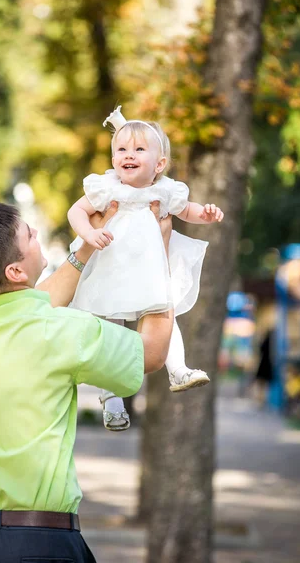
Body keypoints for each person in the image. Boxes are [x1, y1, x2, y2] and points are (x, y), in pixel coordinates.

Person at [0, 201, 173, 563]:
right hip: (38, 544)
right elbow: (151, 352)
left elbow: (34, 303)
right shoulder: (62, 333)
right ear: (14, 270)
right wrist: (158, 254)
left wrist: (86, 245)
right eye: (29, 234)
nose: (37, 234)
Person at [68, 105, 224, 431]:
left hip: (148, 270)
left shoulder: (165, 190)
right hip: (111, 266)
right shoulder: (107, 187)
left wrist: (205, 215)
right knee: (110, 331)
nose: (129, 154)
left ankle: (178, 369)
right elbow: (76, 213)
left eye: (139, 149)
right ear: (113, 160)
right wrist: (90, 234)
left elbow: (188, 210)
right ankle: (111, 399)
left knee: (164, 313)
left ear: (160, 164)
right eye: (121, 149)